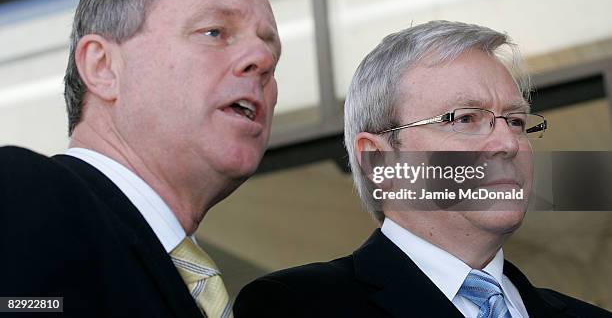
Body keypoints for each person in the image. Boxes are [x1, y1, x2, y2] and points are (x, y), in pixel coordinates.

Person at [233, 21, 610, 317]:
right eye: (465, 119)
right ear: (377, 158)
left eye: (515, 121)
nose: (508, 144)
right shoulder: (298, 306)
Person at [0, 0, 280, 317]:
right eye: (214, 32)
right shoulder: (21, 194)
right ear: (103, 68)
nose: (262, 59)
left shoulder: (184, 284)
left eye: (271, 50)